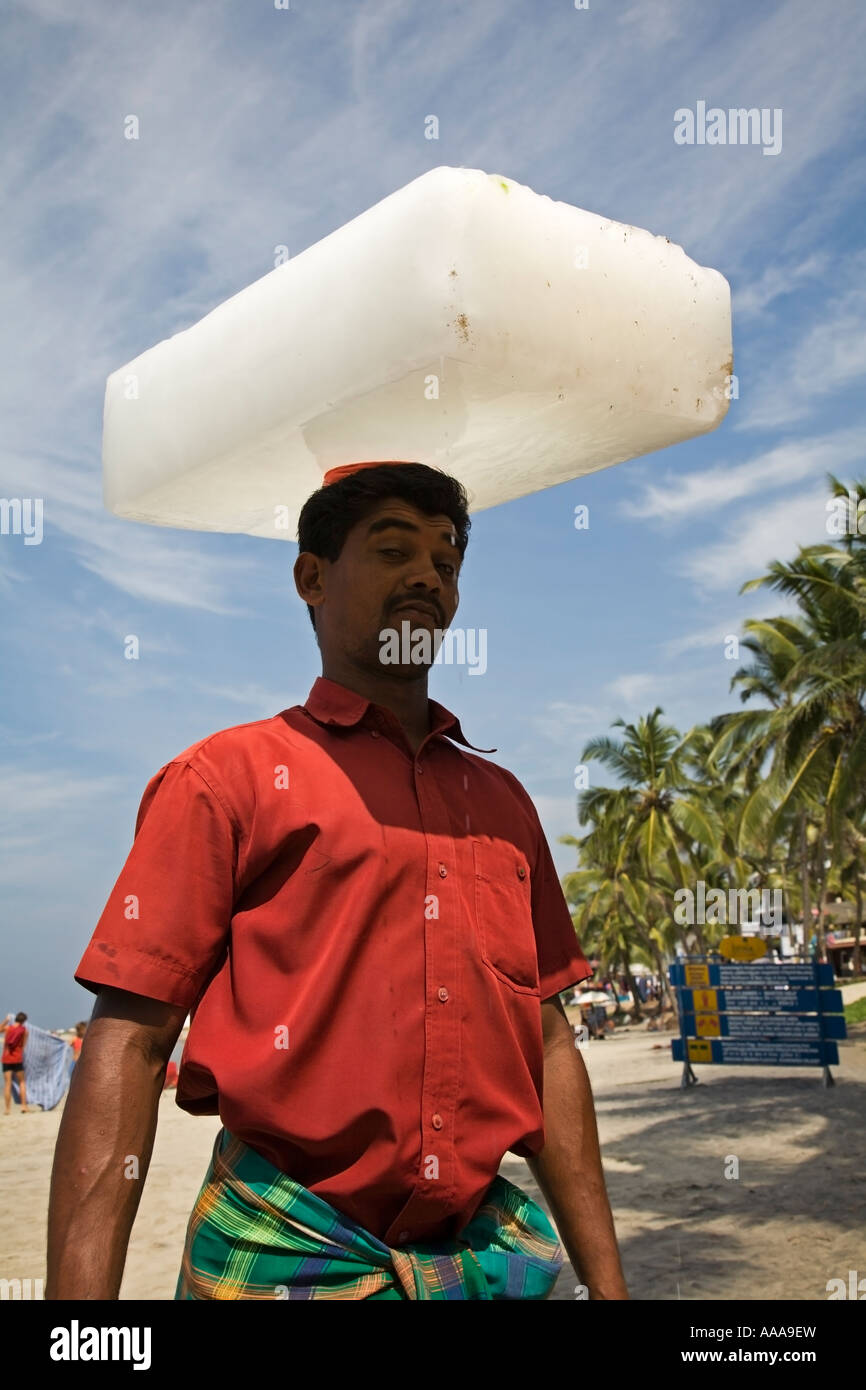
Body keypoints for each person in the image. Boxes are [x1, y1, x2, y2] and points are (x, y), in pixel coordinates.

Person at [47, 461, 627, 1301]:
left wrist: (610, 1289)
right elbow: (129, 1043)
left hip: (479, 1262)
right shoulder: (225, 780)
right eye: (393, 550)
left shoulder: (501, 804)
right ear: (311, 578)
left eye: (448, 561)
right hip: (279, 1248)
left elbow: (550, 1045)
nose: (428, 576)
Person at [2, 1012, 29, 1114]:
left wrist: (7, 1020)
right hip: (17, 1059)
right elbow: (24, 1045)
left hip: (6, 1059)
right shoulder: (24, 1031)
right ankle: (24, 1106)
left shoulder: (8, 1028)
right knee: (22, 1082)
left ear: (15, 1019)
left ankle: (7, 1109)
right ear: (24, 1021)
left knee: (7, 1084)